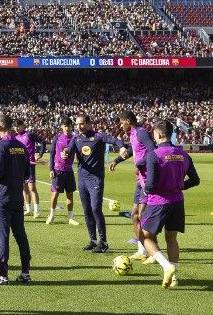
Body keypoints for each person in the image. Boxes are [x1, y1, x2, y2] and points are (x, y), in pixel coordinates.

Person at [141, 119, 200, 289]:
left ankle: (167, 266)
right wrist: (180, 185)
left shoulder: (154, 155)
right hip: (177, 201)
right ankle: (174, 278)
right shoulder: (183, 154)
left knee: (146, 237)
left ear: (158, 134)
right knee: (171, 239)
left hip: (159, 202)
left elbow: (151, 185)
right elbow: (195, 180)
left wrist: (145, 188)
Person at [63, 113, 123, 253]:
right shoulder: (76, 138)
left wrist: (121, 147)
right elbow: (69, 151)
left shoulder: (98, 136)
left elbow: (115, 140)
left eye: (82, 123)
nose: (79, 126)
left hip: (95, 179)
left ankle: (104, 242)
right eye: (77, 124)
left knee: (96, 208)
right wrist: (65, 153)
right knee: (87, 211)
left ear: (89, 124)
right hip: (82, 179)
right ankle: (93, 240)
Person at [0, 114, 32, 285]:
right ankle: (25, 273)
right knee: (21, 236)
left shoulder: (0, 146)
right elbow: (27, 174)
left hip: (2, 199)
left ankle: (3, 275)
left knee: (3, 236)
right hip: (17, 198)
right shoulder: (21, 146)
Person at [108, 110, 156, 261]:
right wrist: (117, 160)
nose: (121, 126)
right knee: (135, 215)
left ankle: (153, 250)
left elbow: (154, 151)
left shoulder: (142, 133)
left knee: (143, 216)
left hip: (148, 179)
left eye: (122, 123)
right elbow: (131, 150)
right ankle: (142, 251)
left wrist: (140, 164)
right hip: (140, 179)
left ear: (128, 121)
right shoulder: (133, 134)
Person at [46, 118, 80, 226]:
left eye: (68, 125)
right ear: (61, 126)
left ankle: (70, 217)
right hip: (58, 170)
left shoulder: (75, 138)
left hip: (69, 170)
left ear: (71, 126)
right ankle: (51, 215)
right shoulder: (57, 138)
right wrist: (51, 169)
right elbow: (51, 155)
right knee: (55, 194)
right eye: (64, 125)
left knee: (70, 195)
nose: (67, 128)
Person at [14, 119, 43, 218]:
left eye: (18, 126)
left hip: (30, 165)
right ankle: (28, 209)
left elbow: (42, 141)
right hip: (19, 165)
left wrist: (40, 154)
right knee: (24, 187)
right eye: (15, 127)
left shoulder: (29, 135)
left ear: (23, 126)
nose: (16, 128)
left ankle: (37, 211)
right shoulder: (15, 137)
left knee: (32, 187)